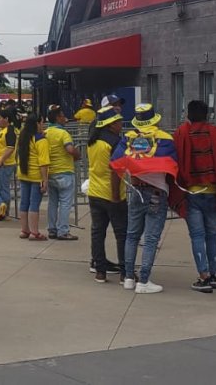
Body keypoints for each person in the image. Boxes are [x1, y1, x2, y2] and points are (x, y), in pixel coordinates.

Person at [172, 100, 216, 293]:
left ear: (188, 115)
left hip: (191, 193)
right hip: (213, 192)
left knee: (197, 236)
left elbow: (174, 161)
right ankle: (213, 273)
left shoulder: (181, 134)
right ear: (208, 114)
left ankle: (204, 276)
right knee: (212, 236)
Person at [114, 104, 176, 294]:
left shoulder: (128, 138)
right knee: (150, 239)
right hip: (156, 191)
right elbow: (175, 163)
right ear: (155, 119)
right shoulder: (164, 139)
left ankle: (129, 278)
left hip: (136, 191)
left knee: (132, 235)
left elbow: (116, 160)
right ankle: (144, 281)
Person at [86, 106, 126, 283]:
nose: (121, 124)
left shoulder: (92, 140)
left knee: (97, 232)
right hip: (112, 193)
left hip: (94, 192)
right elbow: (115, 170)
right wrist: (116, 196)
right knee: (122, 234)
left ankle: (100, 271)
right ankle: (126, 271)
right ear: (110, 124)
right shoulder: (115, 142)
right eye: (118, 121)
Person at [44, 105, 80, 240]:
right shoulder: (63, 133)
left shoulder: (46, 132)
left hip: (51, 172)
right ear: (58, 118)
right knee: (65, 203)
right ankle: (63, 231)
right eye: (63, 116)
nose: (65, 118)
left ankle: (52, 229)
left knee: (52, 202)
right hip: (65, 171)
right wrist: (78, 155)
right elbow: (70, 149)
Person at [16, 113, 50, 241]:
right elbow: (43, 162)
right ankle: (34, 232)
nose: (43, 125)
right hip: (36, 176)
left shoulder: (23, 137)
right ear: (37, 124)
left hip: (24, 174)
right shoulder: (41, 140)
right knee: (34, 204)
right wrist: (45, 180)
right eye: (42, 123)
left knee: (24, 202)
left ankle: (25, 230)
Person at [0, 109, 17, 220]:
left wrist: (1, 160)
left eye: (0, 118)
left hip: (5, 165)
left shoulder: (9, 131)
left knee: (2, 188)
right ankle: (1, 206)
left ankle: (3, 209)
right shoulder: (3, 130)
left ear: (7, 119)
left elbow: (10, 148)